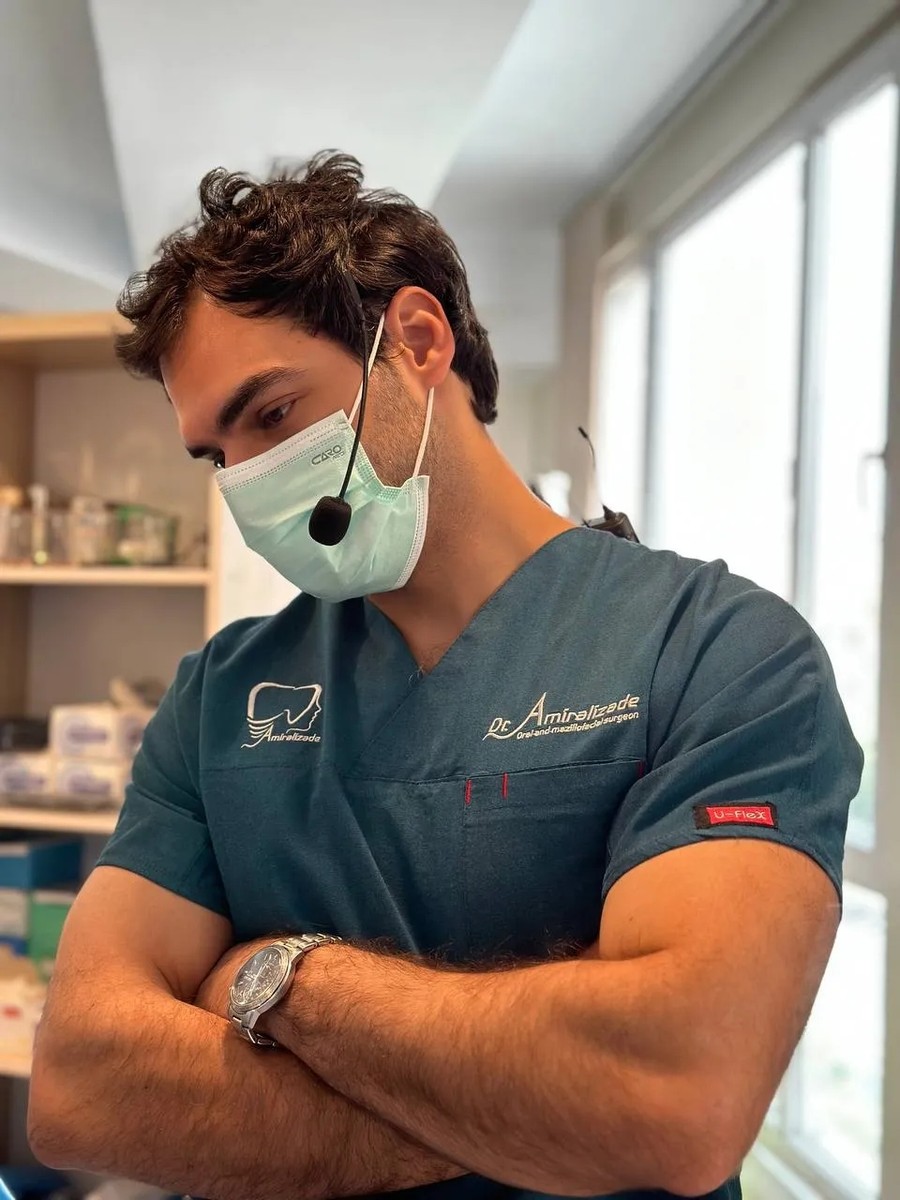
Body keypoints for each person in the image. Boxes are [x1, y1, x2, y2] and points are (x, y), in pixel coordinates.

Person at [28, 152, 862, 1200]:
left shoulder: (717, 654)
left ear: (418, 341)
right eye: (217, 454)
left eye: (273, 416)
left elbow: (672, 1093)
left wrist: (275, 978)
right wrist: (523, 1114)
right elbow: (83, 1085)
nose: (247, 480)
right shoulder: (222, 696)